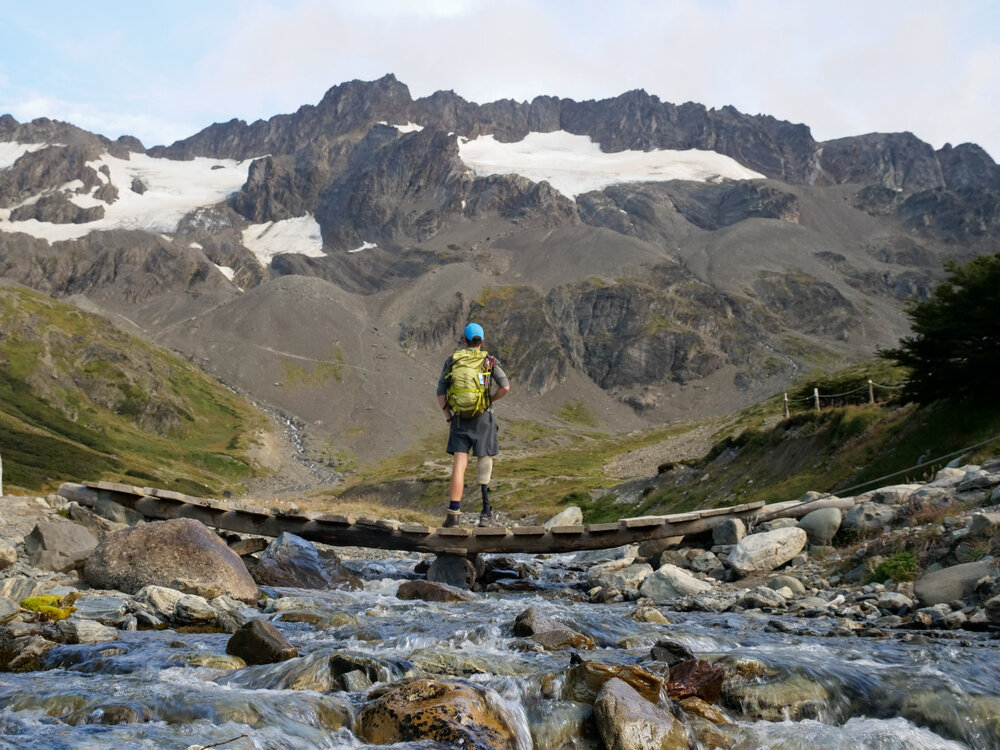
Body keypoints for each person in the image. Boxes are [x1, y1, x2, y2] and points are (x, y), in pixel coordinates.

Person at [436, 322, 510, 527]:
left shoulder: (452, 361)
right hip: (483, 418)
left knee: (459, 465)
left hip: (459, 418)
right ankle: (486, 514)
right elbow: (505, 387)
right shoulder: (489, 361)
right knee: (484, 461)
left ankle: (453, 515)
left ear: (465, 340)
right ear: (482, 341)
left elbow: (440, 392)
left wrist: (449, 417)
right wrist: (490, 400)